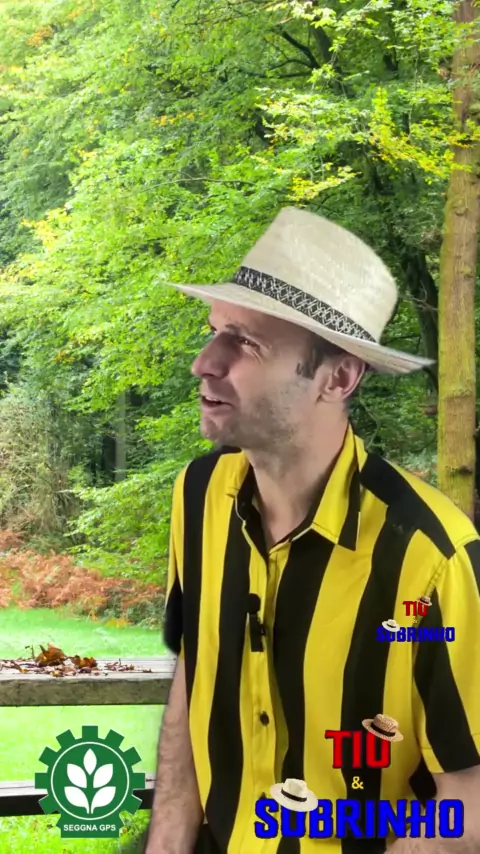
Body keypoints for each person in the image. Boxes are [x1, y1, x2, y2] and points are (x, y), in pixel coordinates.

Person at [144, 207, 480, 854]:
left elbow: (469, 810)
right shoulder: (197, 497)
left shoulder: (433, 558)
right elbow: (194, 679)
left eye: (246, 342)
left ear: (339, 377)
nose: (204, 362)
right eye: (214, 331)